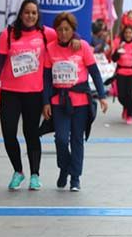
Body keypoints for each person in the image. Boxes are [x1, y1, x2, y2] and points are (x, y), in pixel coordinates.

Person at [0, 0, 55, 191]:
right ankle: (18, 171)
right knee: (8, 133)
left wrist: (75, 38)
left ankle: (35, 174)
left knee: (31, 134)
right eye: (27, 12)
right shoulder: (7, 34)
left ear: (38, 15)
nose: (30, 16)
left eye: (34, 13)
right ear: (21, 14)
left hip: (34, 93)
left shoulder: (45, 34)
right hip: (10, 93)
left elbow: (66, 34)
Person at [45, 12, 108, 191]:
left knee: (77, 140)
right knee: (61, 139)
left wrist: (102, 96)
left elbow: (95, 72)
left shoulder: (83, 47)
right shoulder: (50, 48)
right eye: (60, 29)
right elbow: (47, 78)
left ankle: (75, 177)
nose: (63, 33)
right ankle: (64, 168)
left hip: (80, 101)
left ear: (73, 30)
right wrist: (45, 102)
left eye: (67, 29)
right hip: (59, 101)